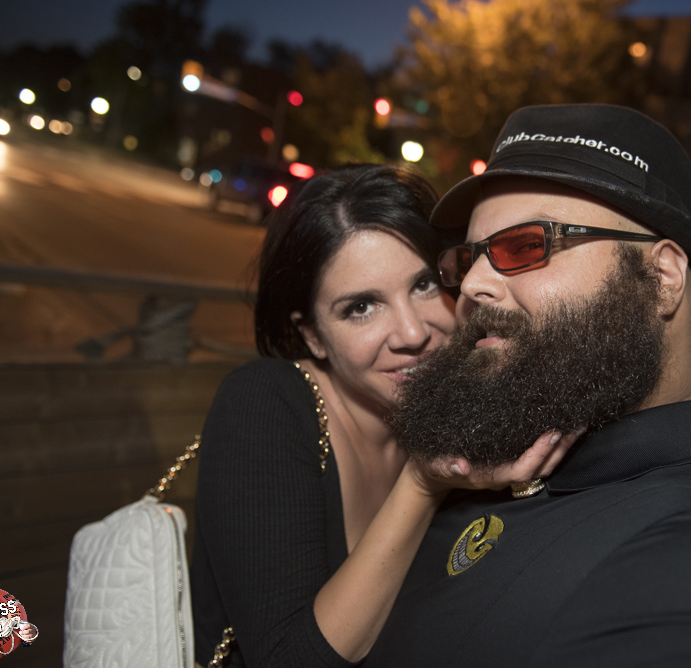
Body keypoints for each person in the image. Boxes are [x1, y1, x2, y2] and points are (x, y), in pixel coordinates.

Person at [365, 105, 691, 667]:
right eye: (468, 258)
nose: (471, 285)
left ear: (662, 278)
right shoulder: (509, 442)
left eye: (526, 245)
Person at [190, 164, 576, 667]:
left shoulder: (456, 404)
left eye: (424, 285)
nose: (412, 333)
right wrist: (422, 483)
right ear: (312, 336)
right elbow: (289, 658)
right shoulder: (266, 402)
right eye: (361, 308)